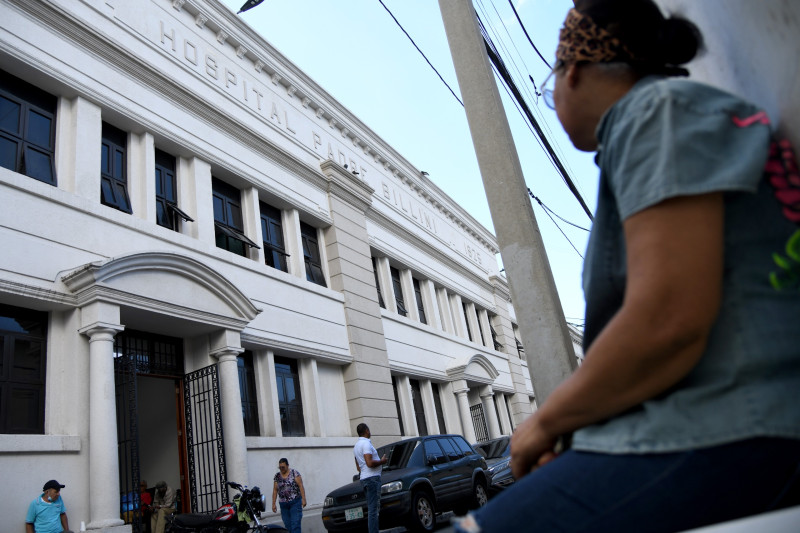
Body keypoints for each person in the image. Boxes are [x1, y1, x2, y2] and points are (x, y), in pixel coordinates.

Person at [453, 1, 800, 532]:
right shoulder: (675, 111)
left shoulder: (652, 112)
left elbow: (668, 321)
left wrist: (545, 422)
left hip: (734, 427)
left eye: (549, 91)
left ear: (572, 70)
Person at [353, 423, 387, 533]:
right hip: (372, 479)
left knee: (372, 509)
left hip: (364, 478)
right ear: (367, 430)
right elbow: (369, 463)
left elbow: (358, 467)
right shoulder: (366, 444)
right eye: (369, 430)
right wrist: (382, 461)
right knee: (373, 510)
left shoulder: (356, 446)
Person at [271, 458, 307, 533]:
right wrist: (273, 503)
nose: (281, 469)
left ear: (287, 465)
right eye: (280, 467)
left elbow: (301, 486)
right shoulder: (277, 476)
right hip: (283, 504)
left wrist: (303, 499)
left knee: (295, 524)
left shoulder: (294, 473)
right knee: (287, 526)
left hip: (295, 502)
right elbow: (275, 490)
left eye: (283, 467)